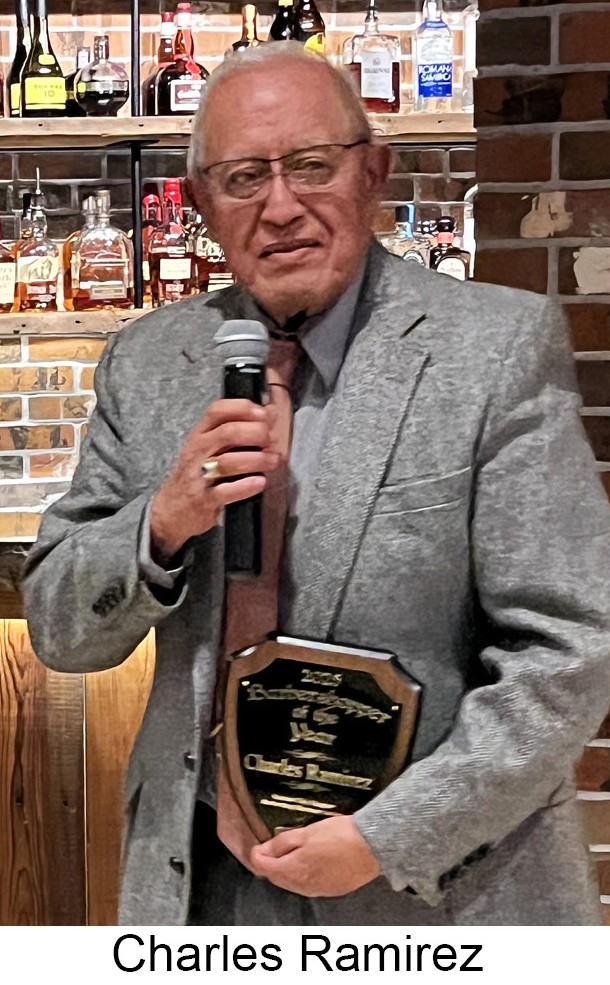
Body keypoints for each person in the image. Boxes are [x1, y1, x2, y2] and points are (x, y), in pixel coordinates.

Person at [23, 44, 610, 926]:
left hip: (435, 896)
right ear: (202, 205)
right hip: (202, 891)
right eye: (244, 178)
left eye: (310, 166)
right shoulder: (146, 362)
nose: (281, 206)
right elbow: (60, 629)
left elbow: (571, 647)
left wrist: (389, 835)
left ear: (373, 172)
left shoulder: (493, 347)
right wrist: (162, 521)